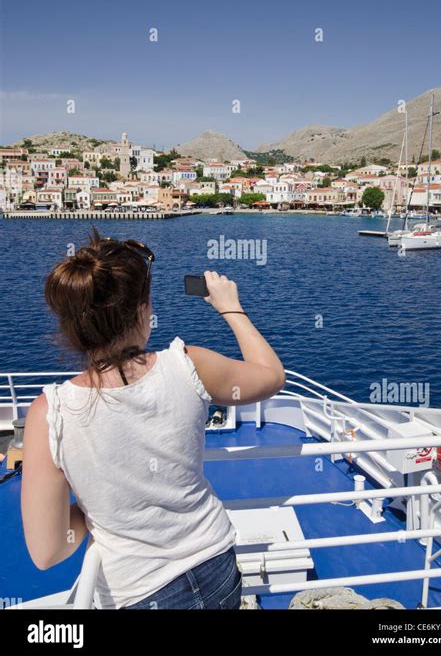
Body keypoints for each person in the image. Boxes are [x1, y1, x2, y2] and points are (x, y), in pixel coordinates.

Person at [21, 230, 285, 609]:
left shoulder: (50, 414)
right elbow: (271, 376)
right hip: (216, 566)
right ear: (145, 310)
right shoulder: (189, 364)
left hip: (139, 592)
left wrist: (100, 507)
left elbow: (47, 552)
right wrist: (230, 308)